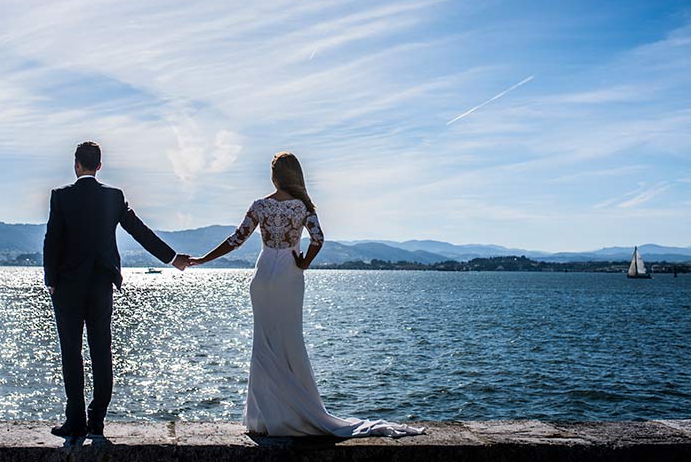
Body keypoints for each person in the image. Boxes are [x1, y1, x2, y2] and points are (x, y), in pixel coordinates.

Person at [189, 152, 422, 437]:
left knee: (263, 342)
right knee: (289, 341)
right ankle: (295, 411)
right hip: (289, 275)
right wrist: (304, 262)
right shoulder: (303, 207)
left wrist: (202, 259)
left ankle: (264, 418)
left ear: (274, 176)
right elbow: (318, 239)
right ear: (296, 175)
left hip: (263, 276)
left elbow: (235, 240)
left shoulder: (260, 206)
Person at [44, 141, 191, 439]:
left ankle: (75, 421)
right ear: (99, 166)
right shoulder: (113, 197)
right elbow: (139, 231)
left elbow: (52, 240)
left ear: (76, 165)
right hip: (101, 284)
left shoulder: (61, 197)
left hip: (68, 287)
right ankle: (96, 420)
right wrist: (172, 258)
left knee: (71, 353)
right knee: (101, 351)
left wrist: (51, 279)